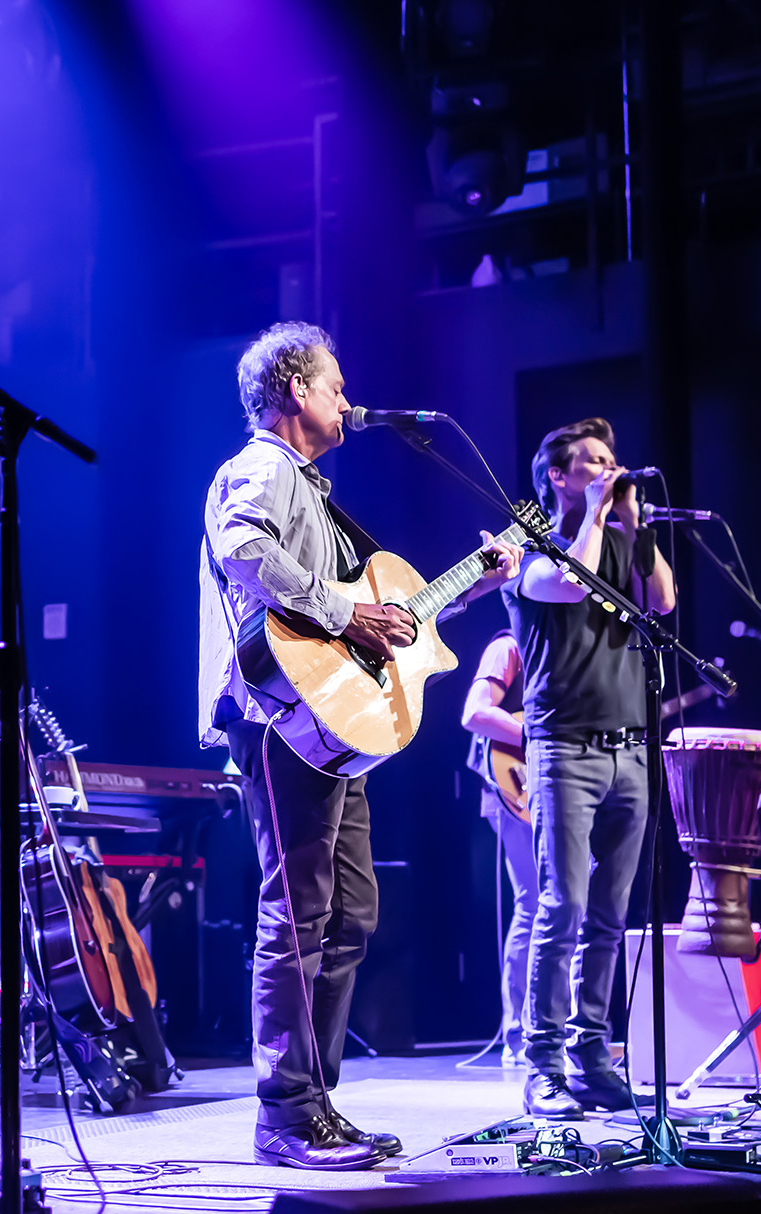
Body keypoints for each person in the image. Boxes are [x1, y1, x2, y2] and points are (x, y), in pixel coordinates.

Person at [198, 321, 521, 1169]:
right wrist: (346, 614)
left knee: (348, 914)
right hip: (276, 716)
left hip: (332, 723)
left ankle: (316, 1103)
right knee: (300, 914)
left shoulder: (313, 488)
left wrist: (470, 585)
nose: (348, 399)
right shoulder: (264, 466)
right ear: (296, 390)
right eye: (336, 385)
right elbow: (242, 551)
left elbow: (387, 620)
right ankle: (284, 1114)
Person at [503, 417, 674, 1118]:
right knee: (561, 907)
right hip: (563, 751)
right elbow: (570, 585)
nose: (609, 468)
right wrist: (600, 516)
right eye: (592, 462)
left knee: (609, 916)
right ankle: (542, 1061)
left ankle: (592, 1055)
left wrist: (636, 523)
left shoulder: (622, 543)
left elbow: (662, 599)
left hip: (628, 749)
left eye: (612, 457)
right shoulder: (532, 550)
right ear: (557, 477)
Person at [459, 628, 538, 1067]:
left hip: (555, 786)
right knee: (532, 903)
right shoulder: (509, 647)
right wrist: (537, 733)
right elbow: (474, 714)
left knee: (568, 906)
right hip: (514, 786)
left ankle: (557, 1030)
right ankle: (519, 1037)